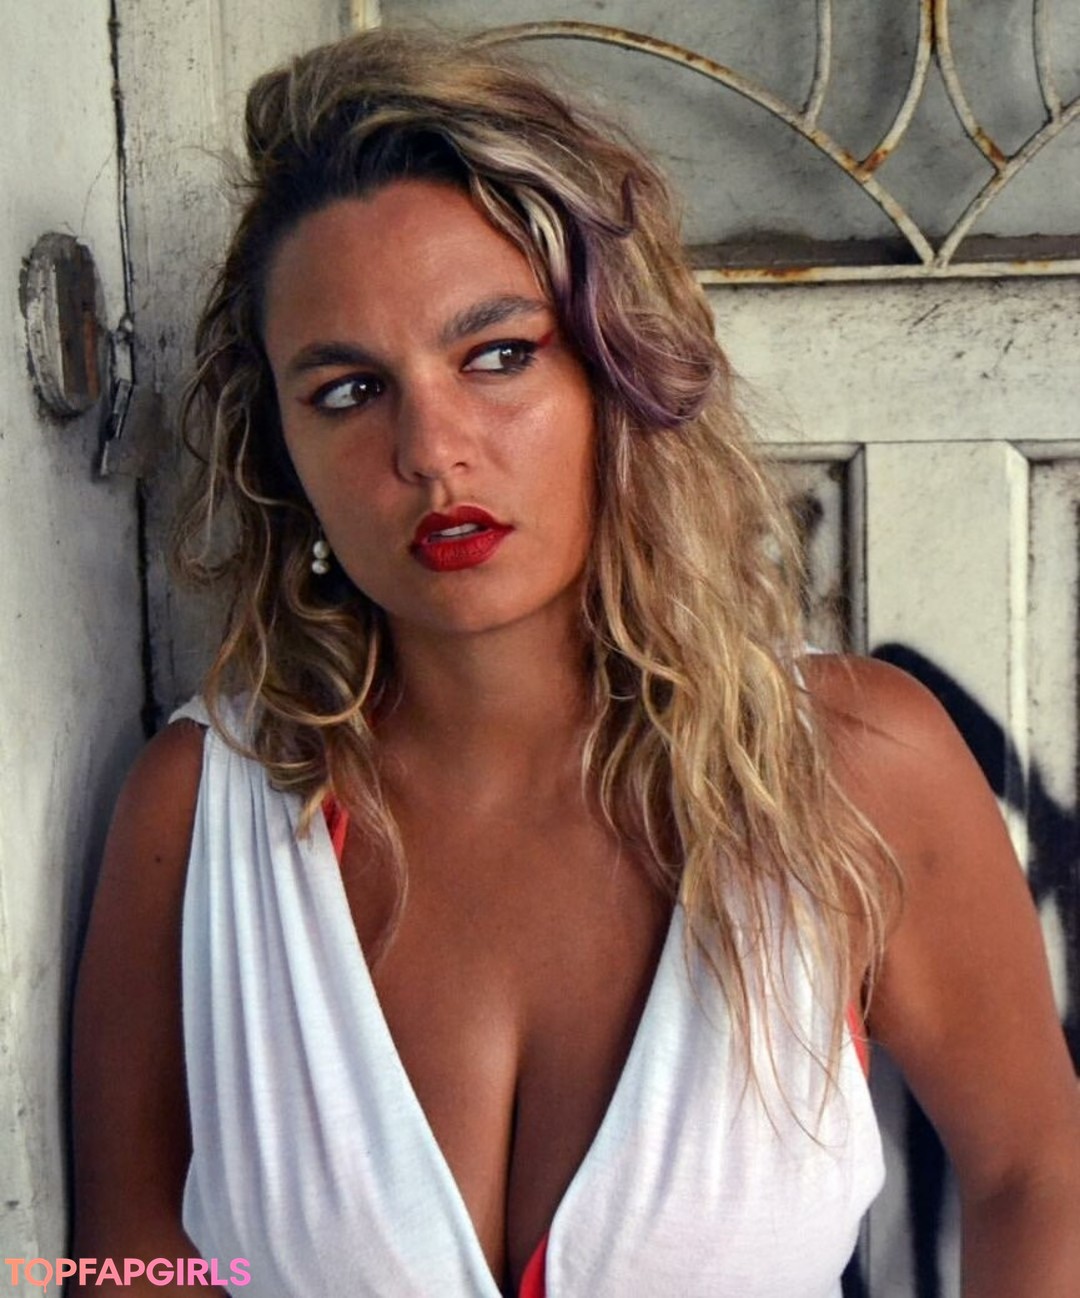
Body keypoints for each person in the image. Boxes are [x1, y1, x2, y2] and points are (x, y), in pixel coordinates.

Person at [70, 26, 1080, 1298]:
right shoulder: (199, 809)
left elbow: (1037, 1167)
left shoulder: (849, 768)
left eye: (498, 353)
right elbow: (125, 1263)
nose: (432, 448)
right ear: (282, 450)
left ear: (616, 367)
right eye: (348, 390)